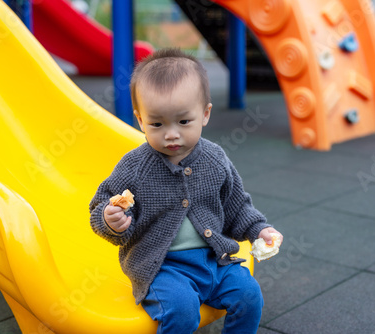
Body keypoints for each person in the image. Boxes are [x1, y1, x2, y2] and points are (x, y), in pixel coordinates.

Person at [89, 48, 283, 333]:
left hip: (213, 261)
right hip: (162, 268)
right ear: (140, 120)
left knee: (249, 295)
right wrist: (111, 221)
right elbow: (101, 206)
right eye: (157, 123)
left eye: (183, 121)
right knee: (181, 309)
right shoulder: (134, 167)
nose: (171, 134)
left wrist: (259, 230)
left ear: (204, 114)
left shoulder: (215, 159)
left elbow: (237, 207)